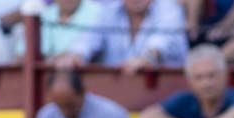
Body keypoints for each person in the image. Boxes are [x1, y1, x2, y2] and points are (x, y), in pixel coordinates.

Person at [138, 45, 234, 118]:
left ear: (225, 75)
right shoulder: (184, 100)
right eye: (199, 77)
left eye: (212, 75)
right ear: (189, 80)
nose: (206, 83)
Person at [56, 0, 188, 72]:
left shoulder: (169, 8)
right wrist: (75, 56)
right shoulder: (108, 9)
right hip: (113, 92)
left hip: (163, 92)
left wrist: (146, 59)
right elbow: (89, 40)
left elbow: (162, 42)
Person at [34, 70, 134, 118]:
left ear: (82, 93)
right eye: (59, 106)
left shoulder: (113, 117)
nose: (65, 112)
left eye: (70, 105)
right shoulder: (46, 116)